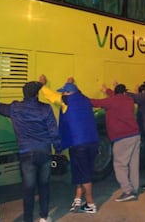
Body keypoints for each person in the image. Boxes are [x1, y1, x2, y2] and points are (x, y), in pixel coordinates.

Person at [0, 82, 62, 222]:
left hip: (26, 153)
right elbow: (53, 131)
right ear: (36, 94)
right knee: (44, 185)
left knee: (28, 188)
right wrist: (58, 149)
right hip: (44, 152)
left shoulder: (15, 108)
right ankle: (44, 217)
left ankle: (27, 219)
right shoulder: (45, 109)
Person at [39, 75, 99, 213]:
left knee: (84, 175)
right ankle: (78, 197)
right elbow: (75, 92)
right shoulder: (84, 99)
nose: (61, 93)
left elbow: (51, 95)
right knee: (82, 171)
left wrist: (42, 85)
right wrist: (70, 83)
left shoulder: (66, 101)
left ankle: (90, 204)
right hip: (92, 142)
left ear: (67, 93)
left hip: (79, 144)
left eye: (63, 91)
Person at [90, 83, 141, 202]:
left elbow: (95, 102)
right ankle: (134, 188)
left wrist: (78, 97)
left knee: (119, 164)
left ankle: (127, 191)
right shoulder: (129, 100)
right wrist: (108, 90)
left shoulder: (111, 101)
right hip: (135, 135)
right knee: (133, 163)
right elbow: (117, 97)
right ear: (124, 92)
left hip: (122, 138)